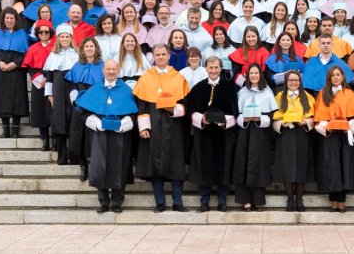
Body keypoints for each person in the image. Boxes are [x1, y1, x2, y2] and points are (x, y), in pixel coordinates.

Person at [132, 44, 191, 212]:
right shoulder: (146, 78)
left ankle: (177, 202)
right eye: (157, 54)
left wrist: (172, 109)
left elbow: (185, 104)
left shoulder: (178, 78)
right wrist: (143, 128)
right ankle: (159, 202)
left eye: (163, 54)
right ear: (154, 57)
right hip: (154, 127)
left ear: (168, 55)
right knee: (154, 165)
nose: (160, 57)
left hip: (174, 127)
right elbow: (141, 106)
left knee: (176, 165)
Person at [77, 59, 138, 213]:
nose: (111, 72)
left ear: (118, 71)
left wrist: (124, 124)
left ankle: (117, 202)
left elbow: (134, 112)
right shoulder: (95, 89)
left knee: (120, 166)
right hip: (100, 135)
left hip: (121, 136)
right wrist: (96, 122)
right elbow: (84, 112)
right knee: (100, 166)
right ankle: (103, 202)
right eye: (108, 69)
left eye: (114, 69)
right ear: (103, 70)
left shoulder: (126, 90)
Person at [184, 56, 239, 212]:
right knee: (204, 164)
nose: (213, 70)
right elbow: (190, 108)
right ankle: (204, 201)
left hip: (223, 134)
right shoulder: (199, 87)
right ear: (206, 68)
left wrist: (224, 121)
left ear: (221, 69)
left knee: (224, 164)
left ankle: (222, 201)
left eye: (216, 67)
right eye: (211, 67)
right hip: (204, 134)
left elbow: (235, 110)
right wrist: (200, 119)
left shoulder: (230, 87)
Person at [312, 65, 354, 212]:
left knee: (345, 166)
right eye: (333, 75)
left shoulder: (350, 94)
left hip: (346, 134)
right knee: (332, 166)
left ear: (342, 77)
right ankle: (333, 201)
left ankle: (342, 201)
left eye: (338, 75)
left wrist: (349, 127)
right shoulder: (323, 94)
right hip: (330, 135)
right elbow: (319, 118)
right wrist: (327, 126)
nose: (335, 77)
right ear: (329, 78)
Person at [232, 63, 276, 211]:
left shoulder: (267, 91)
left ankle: (258, 200)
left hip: (260, 134)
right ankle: (245, 200)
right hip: (244, 133)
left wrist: (259, 120)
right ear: (247, 75)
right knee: (242, 164)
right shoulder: (242, 92)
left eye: (256, 73)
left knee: (259, 165)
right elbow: (236, 114)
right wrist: (244, 120)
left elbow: (271, 116)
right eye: (251, 73)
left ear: (260, 74)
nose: (254, 76)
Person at [0, 8, 33, 138]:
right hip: (0, 71)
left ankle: (16, 129)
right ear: (3, 19)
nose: (9, 20)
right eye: (7, 18)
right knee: (0, 98)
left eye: (12, 18)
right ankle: (5, 129)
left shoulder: (23, 35)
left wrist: (15, 64)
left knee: (17, 99)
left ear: (16, 19)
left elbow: (26, 53)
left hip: (16, 72)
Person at [272, 71, 315, 212]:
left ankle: (300, 199)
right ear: (286, 82)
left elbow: (313, 117)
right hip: (286, 134)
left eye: (296, 80)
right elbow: (276, 116)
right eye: (290, 80)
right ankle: (290, 199)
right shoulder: (279, 96)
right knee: (287, 167)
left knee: (301, 167)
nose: (293, 83)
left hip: (301, 133)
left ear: (300, 81)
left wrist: (306, 122)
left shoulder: (307, 97)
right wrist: (282, 124)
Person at [65, 37, 104, 180]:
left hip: (96, 103)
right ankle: (83, 166)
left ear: (96, 49)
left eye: (92, 46)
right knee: (79, 133)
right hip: (80, 103)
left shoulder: (103, 65)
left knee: (94, 134)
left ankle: (95, 165)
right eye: (87, 46)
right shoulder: (77, 66)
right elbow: (72, 86)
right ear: (82, 49)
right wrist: (75, 100)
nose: (89, 49)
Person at [45, 25, 80, 161]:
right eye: (62, 36)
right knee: (59, 120)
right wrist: (49, 95)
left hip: (72, 89)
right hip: (58, 90)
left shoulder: (77, 54)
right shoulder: (53, 55)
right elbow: (49, 77)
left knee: (73, 121)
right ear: (58, 38)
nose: (64, 39)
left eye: (67, 36)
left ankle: (73, 155)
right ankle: (61, 156)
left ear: (71, 38)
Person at [20, 19, 56, 151]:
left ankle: (55, 139)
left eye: (46, 32)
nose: (44, 34)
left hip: (54, 82)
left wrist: (50, 79)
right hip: (39, 84)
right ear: (38, 33)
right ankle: (44, 139)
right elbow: (29, 67)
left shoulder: (56, 48)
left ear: (50, 33)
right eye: (41, 32)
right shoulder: (33, 48)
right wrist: (39, 79)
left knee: (53, 111)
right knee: (41, 111)